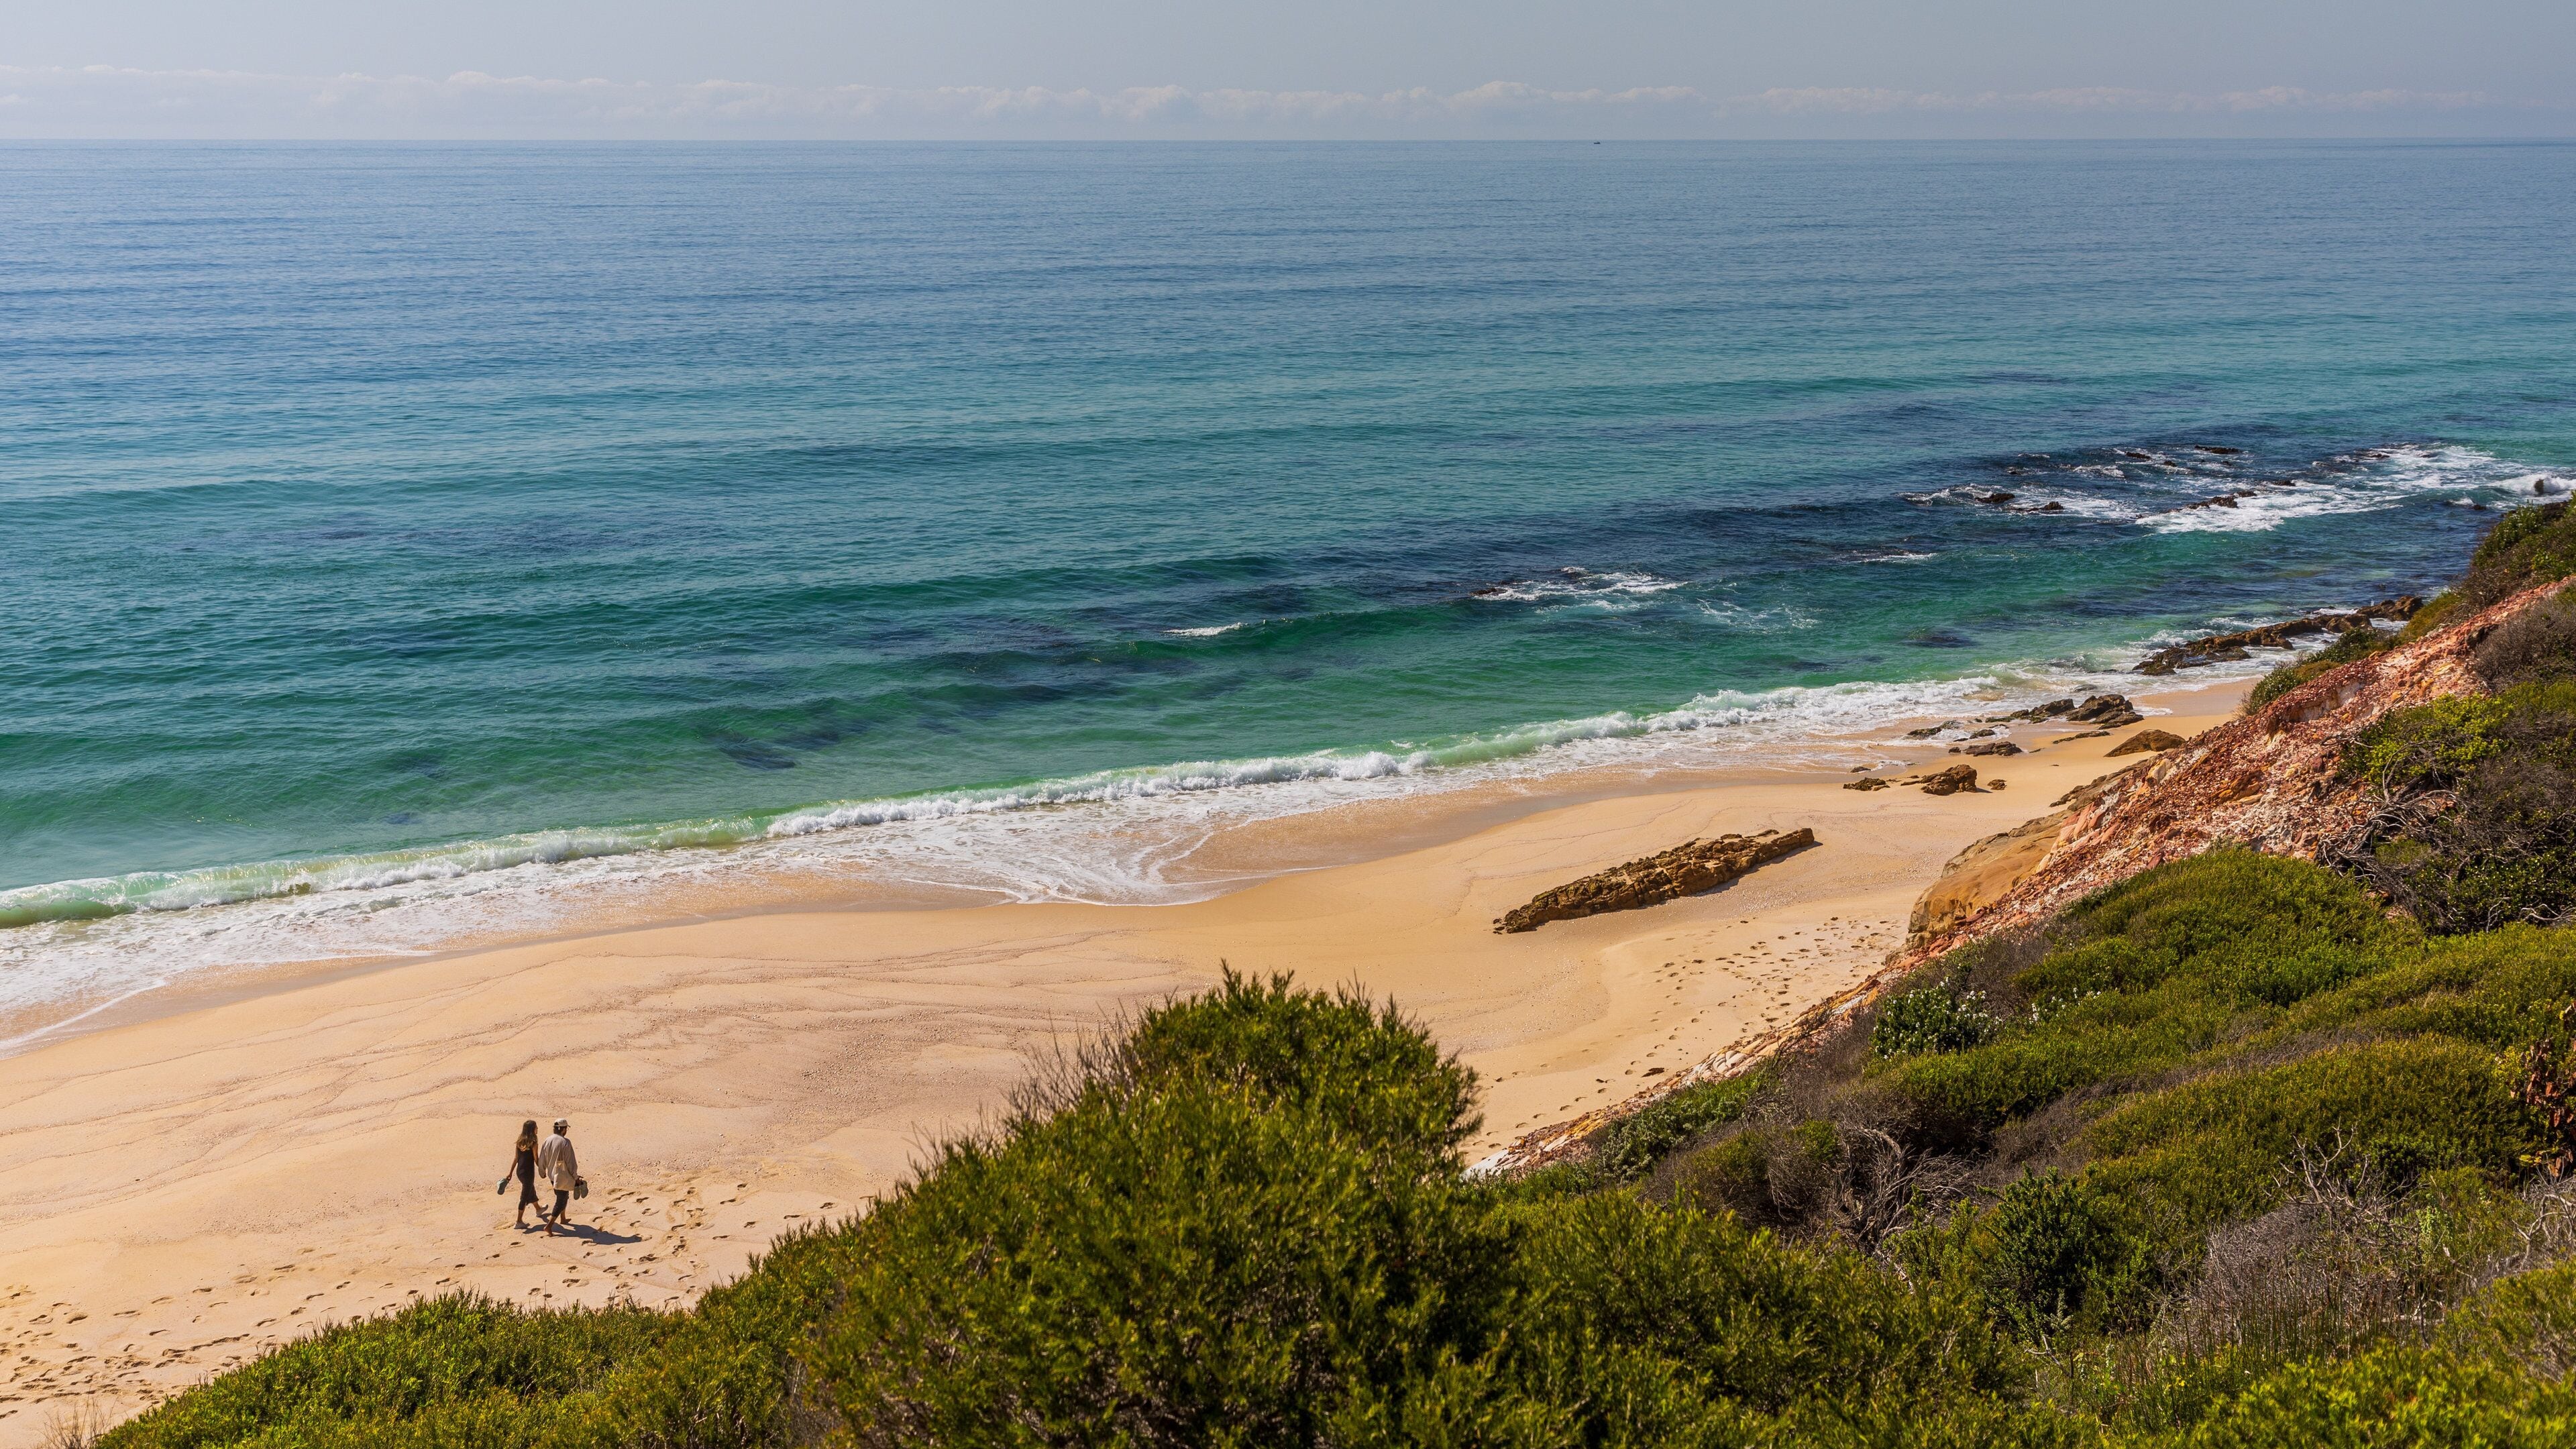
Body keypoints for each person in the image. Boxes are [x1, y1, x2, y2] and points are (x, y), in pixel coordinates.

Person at [536, 1118, 580, 1234]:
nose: (566, 1131)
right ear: (563, 1129)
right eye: (566, 1128)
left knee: (562, 1196)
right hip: (562, 1176)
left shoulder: (548, 1140)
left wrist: (542, 1171)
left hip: (552, 1176)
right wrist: (576, 1177)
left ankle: (563, 1218)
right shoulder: (565, 1142)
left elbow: (542, 1158)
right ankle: (549, 1226)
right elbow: (571, 1163)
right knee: (561, 1200)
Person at [500, 1120, 541, 1228]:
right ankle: (519, 1221)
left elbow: (516, 1158)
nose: (538, 1129)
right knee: (524, 1196)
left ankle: (539, 1209)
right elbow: (536, 1159)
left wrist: (510, 1173)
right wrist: (543, 1169)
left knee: (530, 1189)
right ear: (533, 1129)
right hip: (528, 1173)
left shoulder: (520, 1142)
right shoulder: (534, 1143)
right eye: (536, 1127)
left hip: (520, 1172)